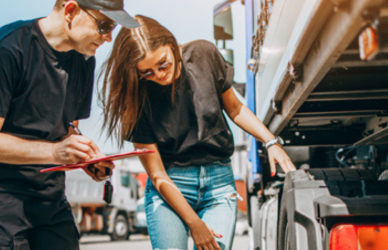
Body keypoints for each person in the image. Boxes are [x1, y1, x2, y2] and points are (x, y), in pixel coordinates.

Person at [100, 15, 296, 250]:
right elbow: (157, 175)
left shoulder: (204, 54)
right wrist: (195, 224)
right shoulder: (137, 97)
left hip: (218, 185)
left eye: (163, 64)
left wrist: (270, 140)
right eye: (148, 72)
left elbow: (235, 108)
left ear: (171, 45)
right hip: (170, 187)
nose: (159, 75)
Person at [0, 0, 139, 249]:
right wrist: (54, 152)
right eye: (104, 25)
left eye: (114, 27)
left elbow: (67, 127)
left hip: (52, 201)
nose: (108, 37)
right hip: (6, 200)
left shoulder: (84, 60)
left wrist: (84, 155)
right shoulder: (9, 48)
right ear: (70, 10)